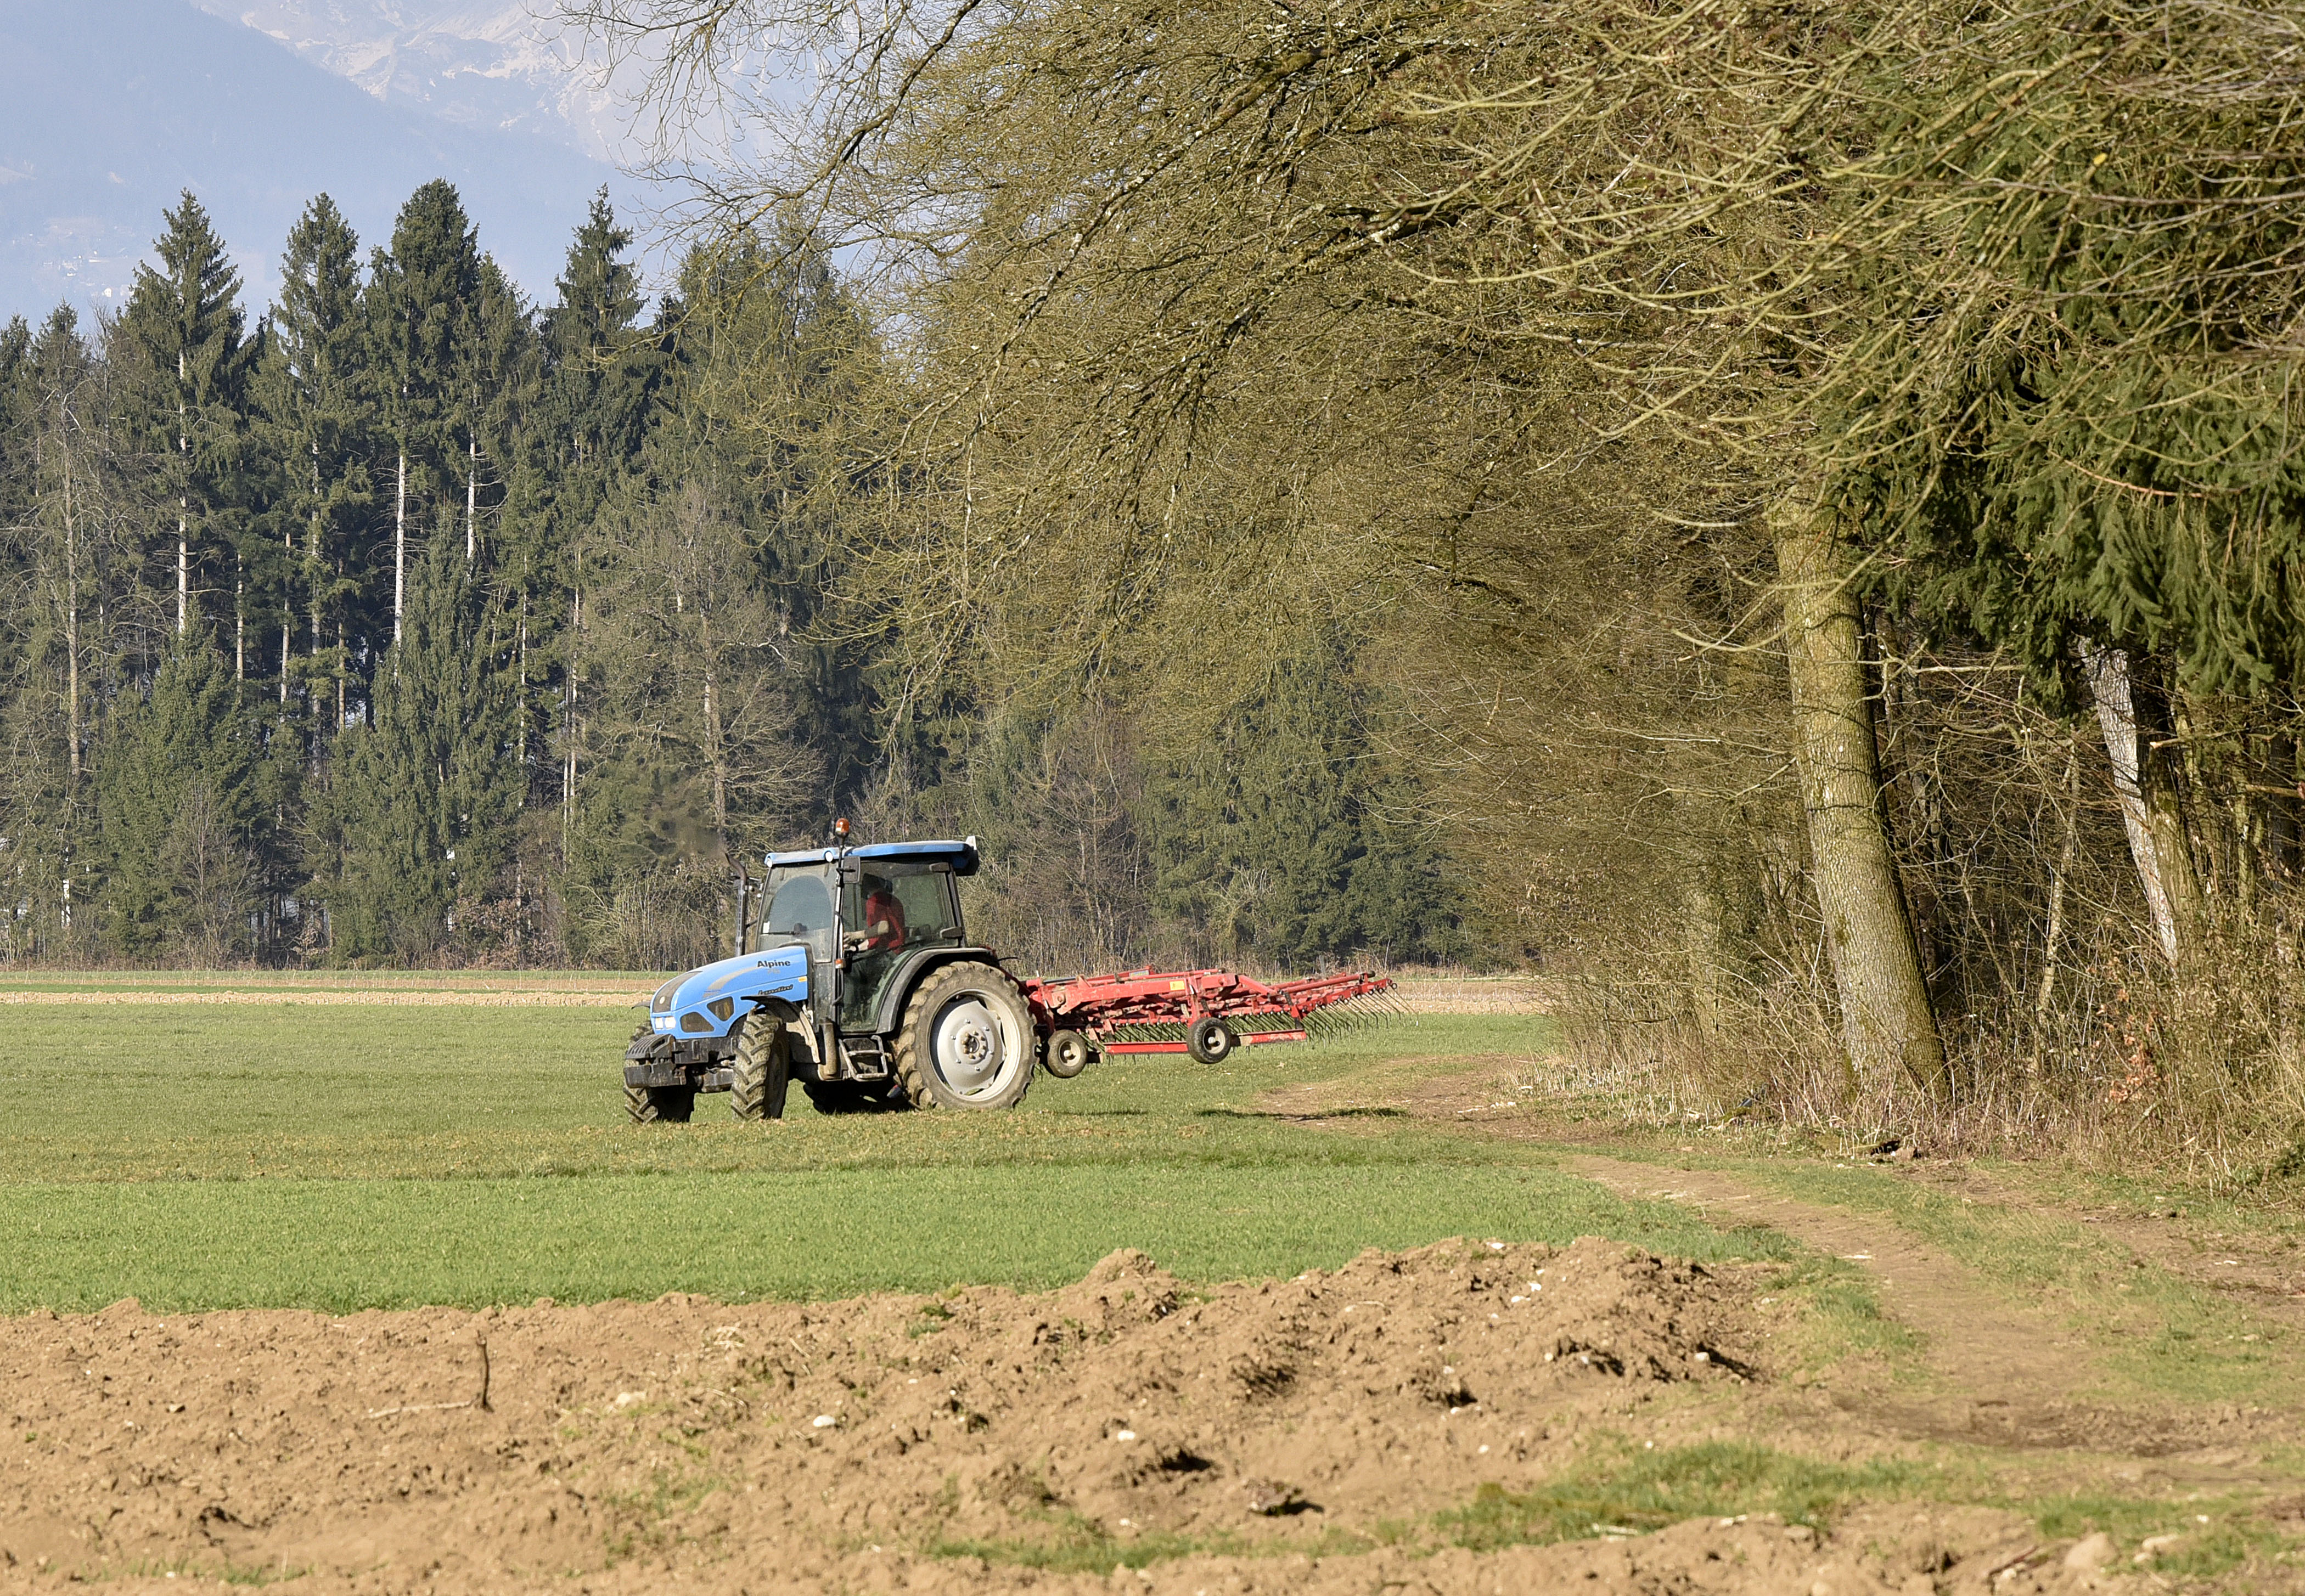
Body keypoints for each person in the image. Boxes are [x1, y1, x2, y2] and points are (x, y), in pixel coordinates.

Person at [847, 872, 908, 955]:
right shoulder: (894, 900)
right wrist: (855, 948)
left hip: (888, 953)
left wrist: (853, 936)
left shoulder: (874, 901)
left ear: (865, 886)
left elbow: (883, 928)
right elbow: (877, 938)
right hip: (899, 951)